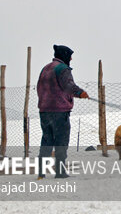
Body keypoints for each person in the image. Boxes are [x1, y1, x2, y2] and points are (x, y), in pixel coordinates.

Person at [37, 45, 89, 179]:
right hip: (59, 111)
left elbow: (39, 88)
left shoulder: (45, 68)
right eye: (70, 55)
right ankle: (60, 172)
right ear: (64, 55)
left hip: (44, 111)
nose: (71, 58)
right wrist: (80, 93)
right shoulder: (62, 69)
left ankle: (41, 172)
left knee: (47, 140)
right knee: (61, 141)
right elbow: (68, 86)